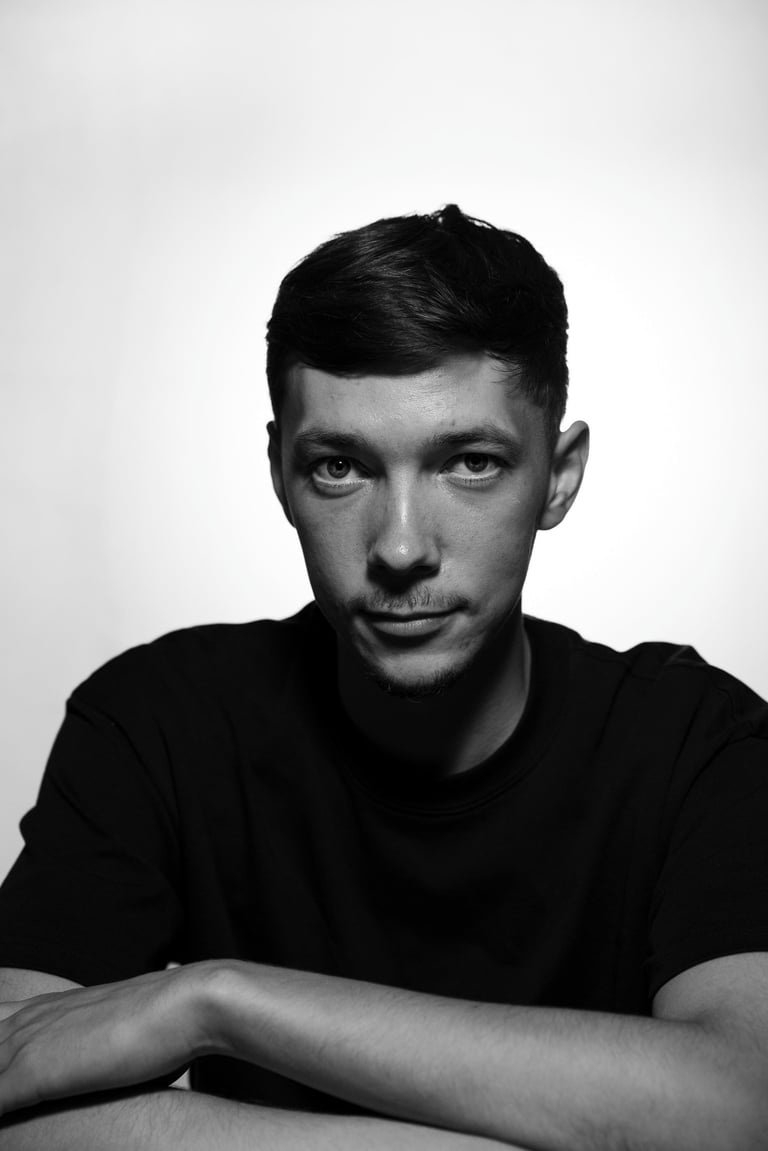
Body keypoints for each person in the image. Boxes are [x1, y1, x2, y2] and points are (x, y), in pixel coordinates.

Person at [0, 205, 767, 1151]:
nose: (401, 546)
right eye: (340, 467)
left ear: (559, 477)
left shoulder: (695, 740)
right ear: (280, 471)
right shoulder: (155, 722)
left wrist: (216, 999)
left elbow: (743, 1105)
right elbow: (19, 1101)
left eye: (471, 463)